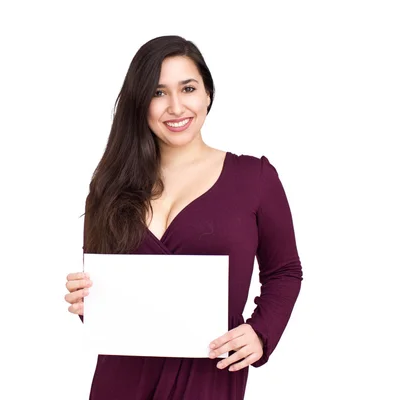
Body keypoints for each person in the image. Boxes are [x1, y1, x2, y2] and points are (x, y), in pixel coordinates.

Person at [64, 35, 303, 400]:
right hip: (120, 381)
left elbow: (284, 271)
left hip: (208, 377)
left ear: (207, 93)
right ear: (139, 103)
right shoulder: (108, 188)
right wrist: (88, 303)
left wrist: (261, 332)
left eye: (187, 88)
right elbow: (111, 302)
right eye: (158, 93)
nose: (176, 107)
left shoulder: (254, 179)